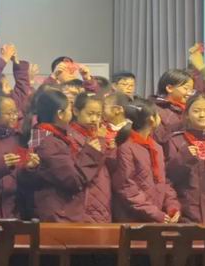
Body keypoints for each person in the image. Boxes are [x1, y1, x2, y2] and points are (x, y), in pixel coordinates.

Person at [25, 88, 106, 222]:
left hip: (63, 209)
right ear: (60, 114)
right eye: (69, 109)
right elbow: (72, 180)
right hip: (60, 211)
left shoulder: (56, 137)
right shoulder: (49, 142)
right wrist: (91, 152)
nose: (71, 112)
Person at [113, 98, 180, 223]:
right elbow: (126, 187)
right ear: (152, 119)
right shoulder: (126, 147)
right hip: (132, 219)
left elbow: (163, 181)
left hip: (155, 217)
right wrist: (154, 213)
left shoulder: (156, 147)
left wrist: (172, 206)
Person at [166, 93, 205, 223]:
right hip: (188, 213)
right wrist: (183, 158)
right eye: (196, 111)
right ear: (187, 114)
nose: (202, 115)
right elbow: (167, 179)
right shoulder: (176, 141)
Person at [66, 93, 114, 223]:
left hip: (101, 191)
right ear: (76, 111)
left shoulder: (97, 133)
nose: (94, 119)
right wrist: (101, 141)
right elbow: (81, 167)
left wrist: (111, 148)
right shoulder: (69, 136)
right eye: (90, 114)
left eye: (98, 115)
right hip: (86, 195)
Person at [152, 69, 195, 152]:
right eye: (186, 88)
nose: (189, 93)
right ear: (169, 88)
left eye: (191, 90)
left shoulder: (188, 109)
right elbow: (158, 139)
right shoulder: (156, 109)